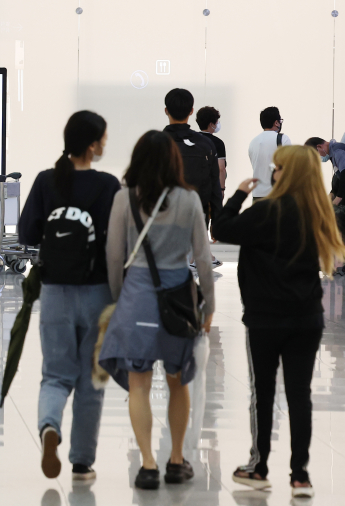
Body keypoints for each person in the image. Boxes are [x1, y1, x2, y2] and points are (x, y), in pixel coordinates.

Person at [213, 145, 345, 499]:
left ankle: (258, 468)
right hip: (306, 318)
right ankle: (300, 475)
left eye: (277, 167)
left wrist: (239, 194)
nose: (273, 172)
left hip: (265, 318)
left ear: (285, 173)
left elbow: (223, 230)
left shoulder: (266, 211)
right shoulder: (317, 214)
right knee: (299, 395)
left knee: (264, 393)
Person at [98, 130, 215, 490]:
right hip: (178, 299)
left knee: (139, 384)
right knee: (178, 382)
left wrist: (121, 297)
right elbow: (203, 258)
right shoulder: (189, 200)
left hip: (136, 297)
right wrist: (208, 304)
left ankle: (148, 463)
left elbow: (114, 256)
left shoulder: (123, 199)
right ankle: (177, 460)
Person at [17, 111, 119, 482]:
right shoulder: (108, 186)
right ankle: (81, 461)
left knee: (56, 375)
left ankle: (48, 427)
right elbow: (118, 243)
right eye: (104, 138)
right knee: (92, 379)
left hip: (55, 292)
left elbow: (26, 233)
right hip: (98, 293)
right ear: (92, 145)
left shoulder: (46, 181)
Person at [163, 89, 223, 269]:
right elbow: (215, 184)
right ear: (191, 111)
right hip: (197, 215)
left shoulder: (156, 142)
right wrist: (217, 221)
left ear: (166, 110)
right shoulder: (206, 144)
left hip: (163, 216)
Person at [248, 107, 289, 200]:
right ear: (276, 122)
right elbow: (289, 166)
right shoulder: (283, 139)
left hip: (257, 194)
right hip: (277, 194)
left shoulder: (253, 142)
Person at [304, 136, 345, 208]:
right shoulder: (333, 153)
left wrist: (338, 198)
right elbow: (339, 176)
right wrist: (333, 192)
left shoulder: (338, 151)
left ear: (319, 147)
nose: (319, 156)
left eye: (316, 154)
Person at [196, 105, 227, 191]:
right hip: (212, 187)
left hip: (195, 186)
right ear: (211, 124)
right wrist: (222, 189)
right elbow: (221, 168)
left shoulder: (194, 139)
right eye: (216, 122)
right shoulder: (218, 143)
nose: (218, 124)